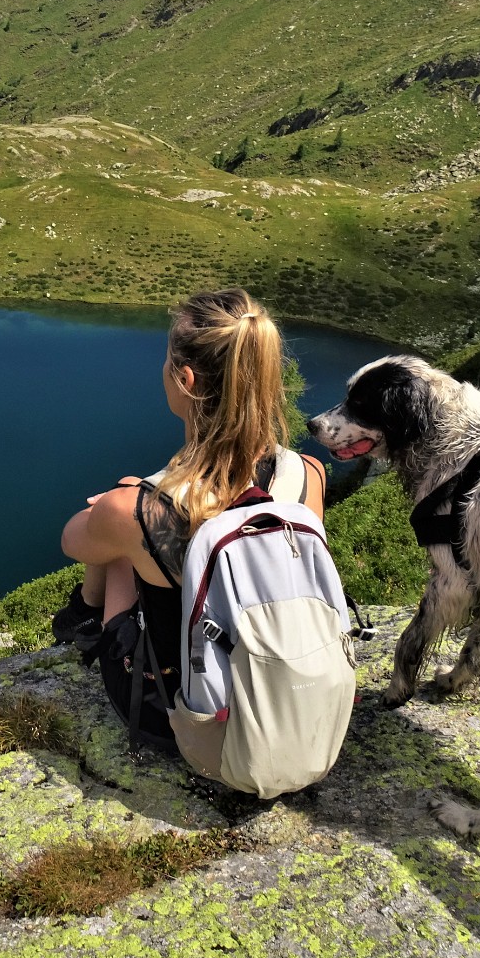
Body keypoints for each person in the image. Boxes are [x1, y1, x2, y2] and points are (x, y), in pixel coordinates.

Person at [56, 288, 327, 748]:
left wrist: (119, 503)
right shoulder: (307, 474)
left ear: (185, 378)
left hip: (186, 716)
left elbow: (73, 541)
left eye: (166, 362)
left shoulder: (145, 509)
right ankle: (83, 611)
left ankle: (81, 618)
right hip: (292, 707)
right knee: (128, 522)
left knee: (121, 529)